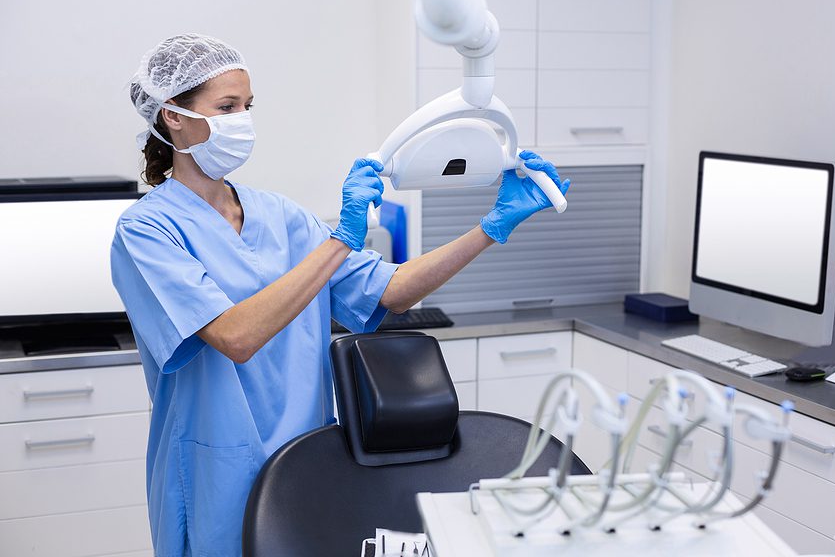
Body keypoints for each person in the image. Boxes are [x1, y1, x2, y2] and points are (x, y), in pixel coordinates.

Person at [111, 33, 570, 557]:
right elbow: (236, 335)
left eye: (248, 106)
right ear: (173, 115)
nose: (243, 120)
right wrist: (340, 240)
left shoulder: (280, 214)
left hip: (306, 459)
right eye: (227, 107)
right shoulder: (146, 230)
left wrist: (491, 226)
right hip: (215, 470)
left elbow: (390, 291)